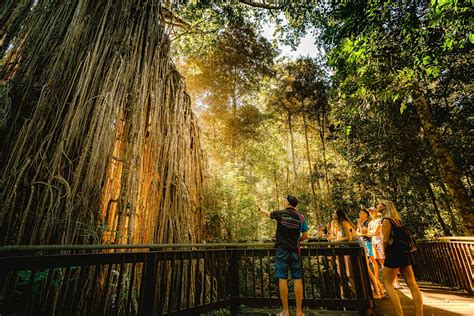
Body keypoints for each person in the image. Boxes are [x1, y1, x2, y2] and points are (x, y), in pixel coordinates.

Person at [257, 195, 309, 316]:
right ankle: (299, 311)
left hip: (282, 251)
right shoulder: (301, 217)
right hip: (295, 251)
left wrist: (260, 208)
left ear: (287, 203)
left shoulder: (281, 214)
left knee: (283, 278)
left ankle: (285, 311)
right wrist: (297, 241)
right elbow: (306, 236)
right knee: (297, 279)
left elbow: (268, 214)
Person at [378, 200, 423, 316]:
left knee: (387, 283)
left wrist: (385, 252)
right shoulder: (397, 221)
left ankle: (399, 314)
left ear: (385, 207)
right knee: (412, 283)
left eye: (379, 204)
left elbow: (386, 240)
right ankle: (419, 314)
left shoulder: (387, 221)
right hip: (404, 253)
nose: (377, 206)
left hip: (393, 254)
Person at [333, 209, 384, 298]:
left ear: (338, 215)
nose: (333, 214)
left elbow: (349, 238)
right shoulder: (340, 224)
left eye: (334, 213)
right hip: (354, 248)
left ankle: (377, 292)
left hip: (359, 247)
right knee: (365, 269)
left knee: (366, 269)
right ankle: (380, 288)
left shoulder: (344, 222)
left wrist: (336, 241)